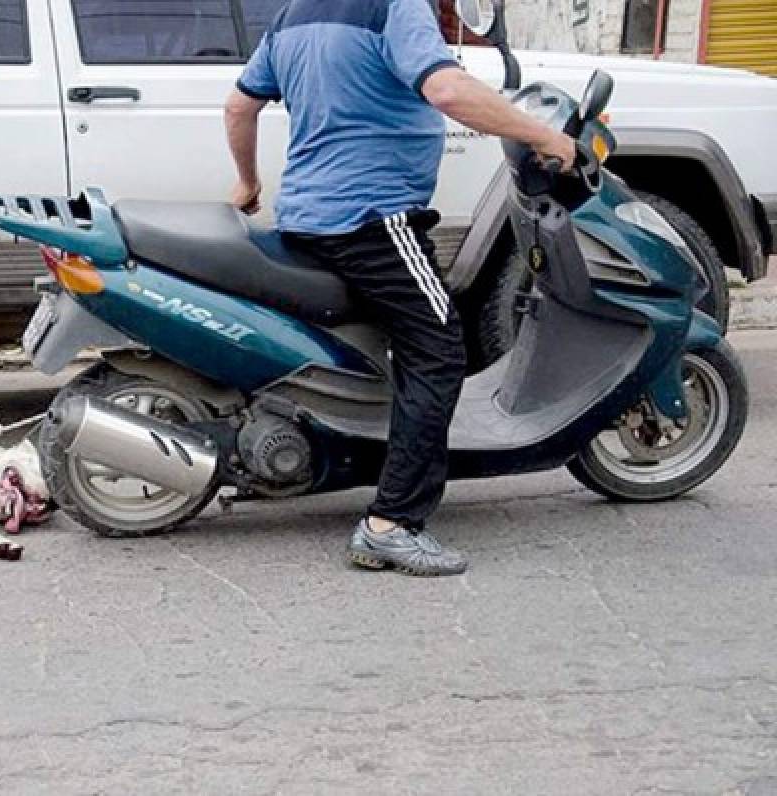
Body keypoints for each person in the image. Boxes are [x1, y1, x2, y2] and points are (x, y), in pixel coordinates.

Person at [224, 0, 576, 576]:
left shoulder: (293, 14)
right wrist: (543, 135)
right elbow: (447, 91)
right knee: (439, 349)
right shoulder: (392, 5)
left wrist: (247, 181)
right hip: (373, 219)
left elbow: (240, 105)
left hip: (307, 217)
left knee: (393, 338)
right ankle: (393, 523)